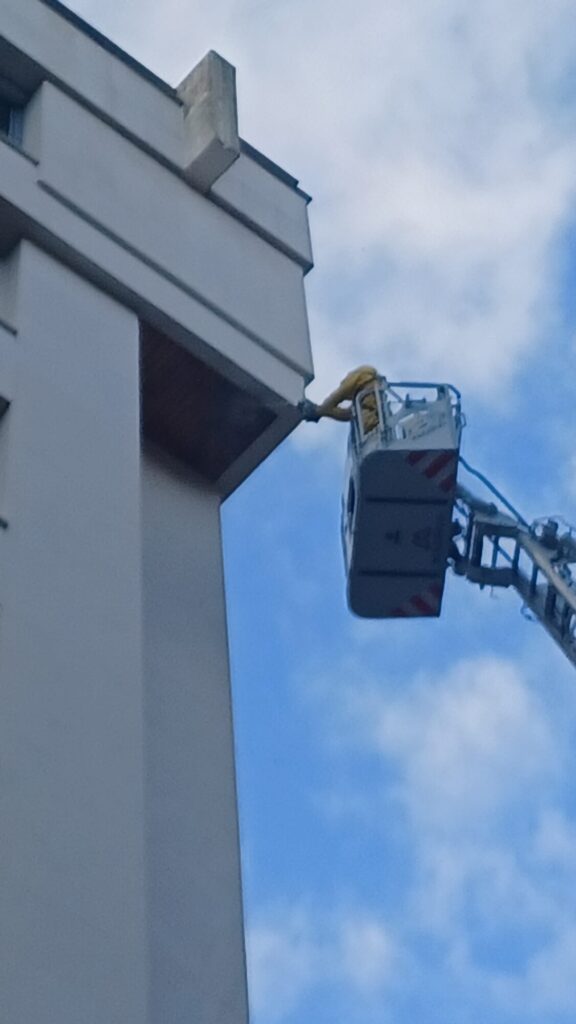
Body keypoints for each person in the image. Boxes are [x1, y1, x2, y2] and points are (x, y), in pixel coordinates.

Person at [300, 366, 385, 433]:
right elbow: (347, 415)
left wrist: (317, 411)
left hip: (372, 427)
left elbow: (337, 396)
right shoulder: (369, 397)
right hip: (372, 428)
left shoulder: (359, 379)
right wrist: (321, 412)